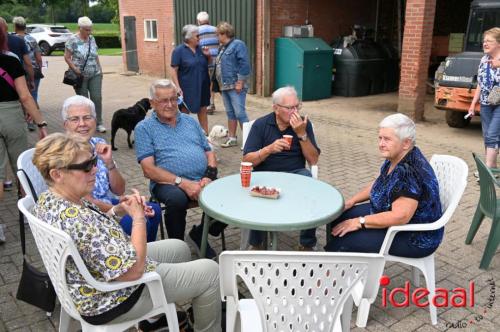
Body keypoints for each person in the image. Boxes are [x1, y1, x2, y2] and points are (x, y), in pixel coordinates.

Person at [32, 133, 221, 331]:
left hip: (95, 281)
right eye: (86, 166)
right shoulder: (77, 220)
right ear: (57, 174)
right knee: (211, 273)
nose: (95, 169)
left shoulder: (51, 199)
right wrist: (138, 218)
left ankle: (155, 320)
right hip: (113, 298)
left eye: (94, 161)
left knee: (179, 248)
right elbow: (134, 272)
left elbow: (96, 233)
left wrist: (119, 210)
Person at [325, 114, 443, 258]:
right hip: (388, 213)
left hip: (413, 236)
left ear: (406, 143)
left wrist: (359, 222)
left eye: (387, 139)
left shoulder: (409, 173)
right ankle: (344, 265)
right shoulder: (396, 156)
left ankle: (334, 269)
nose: (381, 144)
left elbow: (400, 217)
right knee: (338, 217)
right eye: (380, 138)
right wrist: (352, 201)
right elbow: (380, 183)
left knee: (344, 241)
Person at [135, 79, 226, 259]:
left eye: (173, 99)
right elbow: (148, 169)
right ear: (152, 102)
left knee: (228, 193)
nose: (170, 105)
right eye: (163, 101)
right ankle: (176, 248)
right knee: (177, 200)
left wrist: (209, 175)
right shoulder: (144, 128)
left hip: (202, 178)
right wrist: (183, 183)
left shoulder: (190, 121)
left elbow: (209, 151)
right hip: (168, 183)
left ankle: (200, 233)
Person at [62, 95, 161, 242]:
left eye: (87, 117)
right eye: (75, 119)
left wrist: (109, 163)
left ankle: (147, 255)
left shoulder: (98, 142)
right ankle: (137, 258)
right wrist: (121, 208)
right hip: (86, 216)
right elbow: (85, 201)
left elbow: (119, 190)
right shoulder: (65, 153)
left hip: (107, 203)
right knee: (137, 218)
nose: (82, 124)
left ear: (95, 121)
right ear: (65, 125)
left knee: (154, 210)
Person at [242, 86, 320, 250]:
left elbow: (313, 159)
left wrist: (301, 134)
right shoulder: (261, 125)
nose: (295, 112)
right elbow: (247, 159)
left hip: (295, 173)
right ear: (276, 108)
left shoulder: (303, 125)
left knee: (311, 185)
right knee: (255, 190)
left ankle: (306, 244)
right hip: (266, 173)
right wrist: (268, 149)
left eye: (297, 107)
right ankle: (256, 244)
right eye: (290, 108)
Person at [0, 18, 48, 202]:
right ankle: (27, 213)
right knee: (20, 166)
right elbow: (25, 96)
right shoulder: (11, 59)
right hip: (11, 115)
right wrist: (40, 123)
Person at [65, 16, 105, 133]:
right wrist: (75, 69)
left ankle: (99, 123)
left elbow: (95, 54)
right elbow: (67, 57)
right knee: (84, 101)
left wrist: (100, 69)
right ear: (80, 28)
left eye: (90, 29)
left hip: (95, 73)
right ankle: (86, 124)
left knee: (97, 98)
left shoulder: (92, 39)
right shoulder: (72, 40)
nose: (89, 32)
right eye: (86, 29)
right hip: (80, 76)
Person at [468, 28, 500, 171]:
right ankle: (492, 167)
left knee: (492, 135)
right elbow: (481, 83)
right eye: (484, 41)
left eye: (489, 41)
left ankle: (487, 170)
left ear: (498, 43)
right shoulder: (483, 59)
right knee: (488, 136)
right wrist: (474, 103)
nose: (485, 43)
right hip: (486, 103)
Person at [215, 22, 251, 147]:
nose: (217, 37)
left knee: (240, 113)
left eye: (218, 34)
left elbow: (245, 64)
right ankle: (232, 138)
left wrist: (240, 82)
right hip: (225, 86)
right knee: (230, 113)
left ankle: (250, 141)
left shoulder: (238, 45)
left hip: (235, 85)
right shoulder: (222, 47)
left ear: (225, 34)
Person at [171, 24, 210, 134]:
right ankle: (184, 136)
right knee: (184, 113)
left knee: (203, 111)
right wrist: (177, 87)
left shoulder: (200, 49)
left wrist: (208, 56)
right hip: (187, 87)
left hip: (202, 86)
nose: (199, 38)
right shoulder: (178, 51)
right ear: (189, 37)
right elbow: (174, 70)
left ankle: (205, 136)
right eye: (197, 36)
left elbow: (207, 64)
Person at [14, 16, 43, 104]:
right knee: (33, 93)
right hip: (34, 70)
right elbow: (39, 58)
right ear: (25, 26)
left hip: (18, 71)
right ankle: (35, 113)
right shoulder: (32, 39)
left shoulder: (12, 40)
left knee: (20, 94)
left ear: (15, 26)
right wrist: (39, 69)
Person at [197, 11, 219, 114]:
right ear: (208, 20)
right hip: (216, 61)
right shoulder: (216, 30)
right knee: (213, 83)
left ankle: (209, 104)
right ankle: (211, 103)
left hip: (204, 61)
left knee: (207, 83)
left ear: (198, 21)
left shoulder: (196, 31)